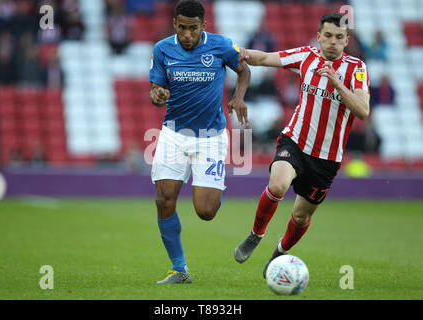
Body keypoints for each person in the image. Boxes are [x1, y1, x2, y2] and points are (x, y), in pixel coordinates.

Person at [234, 12, 370, 278]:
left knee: (300, 218)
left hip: (327, 158)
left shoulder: (357, 69)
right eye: (328, 36)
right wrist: (233, 51)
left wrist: (337, 83)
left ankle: (281, 252)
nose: (332, 42)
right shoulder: (306, 55)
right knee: (277, 185)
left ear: (347, 41)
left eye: (339, 37)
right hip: (295, 140)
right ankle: (255, 234)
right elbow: (263, 57)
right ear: (319, 37)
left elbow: (363, 110)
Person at [149, 0, 250, 284]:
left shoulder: (222, 46)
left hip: (210, 137)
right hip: (173, 133)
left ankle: (213, 194)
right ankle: (179, 269)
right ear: (175, 25)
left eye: (193, 29)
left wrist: (238, 96)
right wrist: (156, 95)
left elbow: (244, 71)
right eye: (182, 28)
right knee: (163, 199)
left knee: (205, 212)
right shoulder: (162, 49)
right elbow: (156, 90)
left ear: (204, 26)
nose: (187, 35)